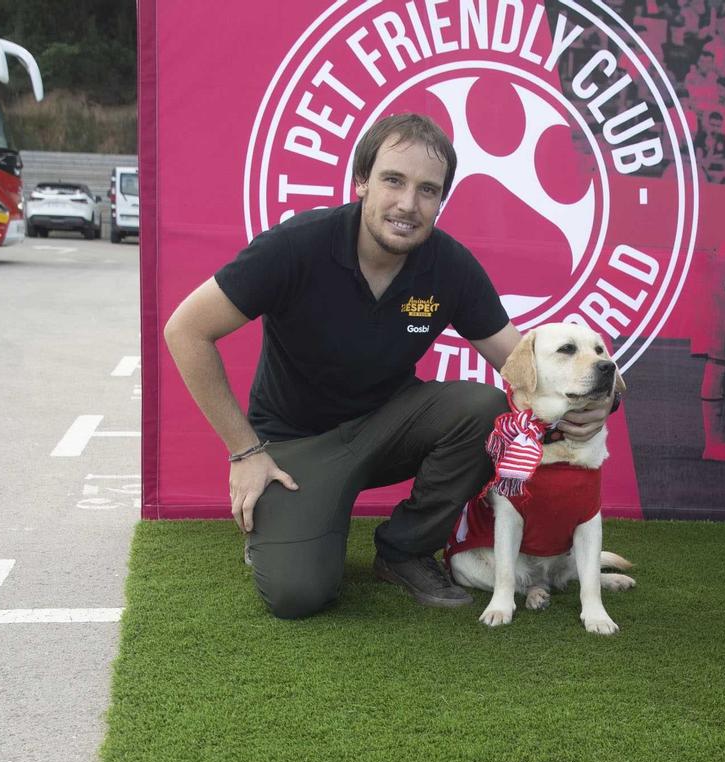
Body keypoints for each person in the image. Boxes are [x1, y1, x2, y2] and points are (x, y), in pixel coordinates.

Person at [162, 113, 611, 618]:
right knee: (298, 594)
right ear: (361, 182)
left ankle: (405, 549)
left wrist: (609, 394)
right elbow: (185, 331)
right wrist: (244, 452)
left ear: (441, 200)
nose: (407, 204)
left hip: (388, 428)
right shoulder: (296, 246)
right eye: (393, 181)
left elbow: (521, 360)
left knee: (486, 409)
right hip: (295, 448)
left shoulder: (449, 266)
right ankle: (283, 526)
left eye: (427, 190)